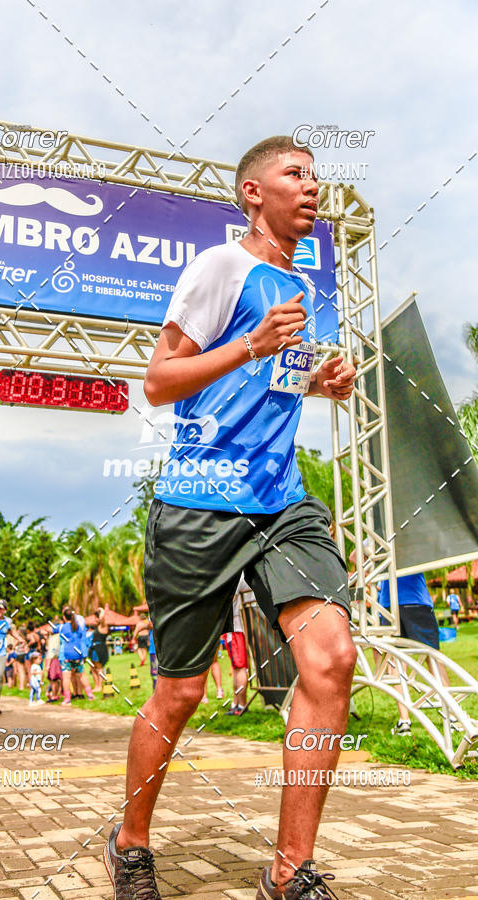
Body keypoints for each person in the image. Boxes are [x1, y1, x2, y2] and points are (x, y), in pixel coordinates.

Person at [104, 135, 357, 900]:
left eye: (315, 175)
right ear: (253, 192)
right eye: (294, 174)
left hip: (282, 502)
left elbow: (269, 383)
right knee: (181, 693)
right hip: (200, 502)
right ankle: (130, 843)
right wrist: (250, 343)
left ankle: (289, 871)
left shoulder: (300, 285)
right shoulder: (221, 267)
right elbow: (159, 382)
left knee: (331, 659)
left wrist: (318, 383)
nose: (311, 186)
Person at [377, 572, 446, 736]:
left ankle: (404, 721)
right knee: (432, 657)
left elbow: (356, 560)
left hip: (390, 604)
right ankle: (450, 716)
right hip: (414, 601)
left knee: (397, 660)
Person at [49, 606, 94, 703]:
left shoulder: (62, 627)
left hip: (66, 655)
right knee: (82, 675)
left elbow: (51, 630)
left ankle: (67, 699)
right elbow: (82, 639)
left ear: (64, 617)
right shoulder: (78, 627)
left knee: (66, 678)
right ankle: (90, 695)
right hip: (77, 654)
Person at [223, 577, 250, 716]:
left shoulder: (235, 576)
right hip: (234, 629)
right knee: (238, 668)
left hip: (235, 629)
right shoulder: (237, 576)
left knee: (239, 668)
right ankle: (238, 704)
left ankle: (240, 704)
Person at [89, 605, 110, 692]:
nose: (95, 620)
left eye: (95, 618)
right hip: (94, 648)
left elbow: (102, 618)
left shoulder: (103, 626)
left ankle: (100, 686)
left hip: (99, 649)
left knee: (99, 667)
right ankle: (96, 685)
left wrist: (101, 610)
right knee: (92, 668)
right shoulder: (98, 627)